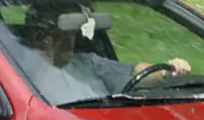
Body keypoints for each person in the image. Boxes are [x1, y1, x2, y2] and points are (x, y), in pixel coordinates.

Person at [14, 9, 191, 106]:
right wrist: (47, 55)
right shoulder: (22, 69)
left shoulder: (88, 62)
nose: (68, 42)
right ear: (40, 37)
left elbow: (133, 73)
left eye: (71, 35)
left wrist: (166, 72)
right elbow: (33, 101)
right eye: (59, 36)